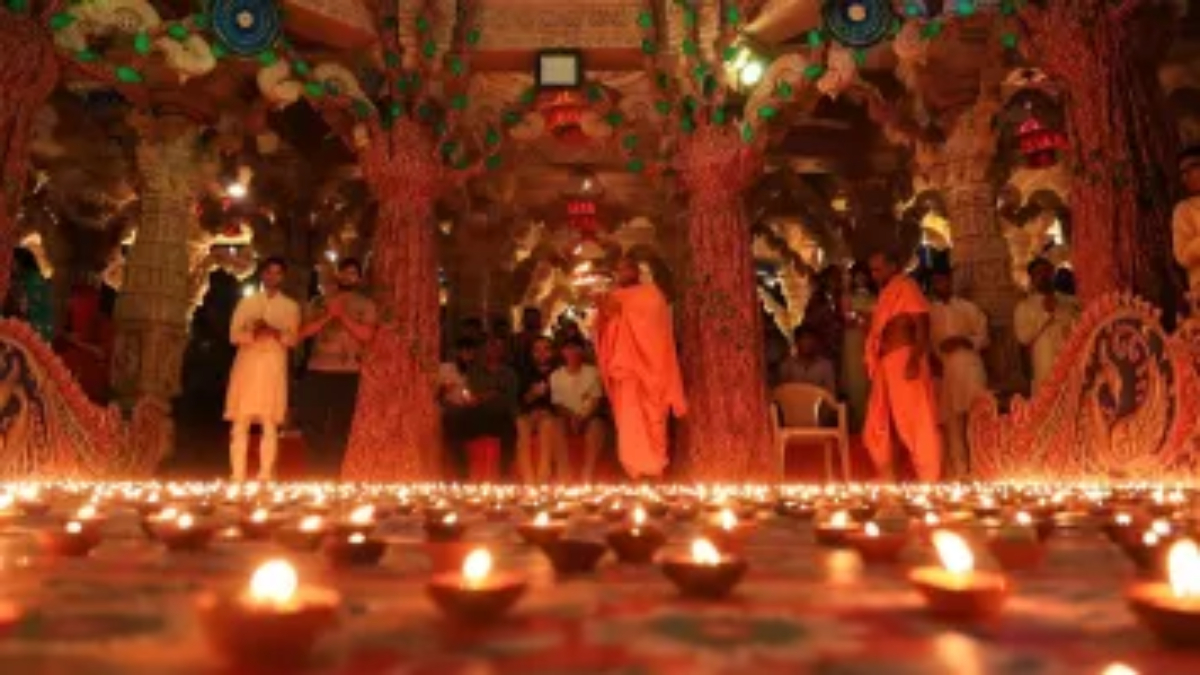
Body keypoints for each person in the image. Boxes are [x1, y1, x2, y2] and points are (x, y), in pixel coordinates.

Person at [595, 256, 687, 479]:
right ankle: (634, 473)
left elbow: (655, 329)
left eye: (626, 268)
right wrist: (606, 313)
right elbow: (604, 330)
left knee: (654, 421)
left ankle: (656, 470)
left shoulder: (652, 295)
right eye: (618, 269)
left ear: (636, 270)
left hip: (652, 369)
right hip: (625, 369)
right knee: (629, 424)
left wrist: (621, 313)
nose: (622, 273)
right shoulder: (615, 296)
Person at [863, 250, 942, 482]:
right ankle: (888, 474)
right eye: (872, 270)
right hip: (886, 363)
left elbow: (922, 325)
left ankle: (929, 476)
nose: (874, 274)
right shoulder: (886, 293)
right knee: (880, 423)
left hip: (905, 358)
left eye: (878, 269)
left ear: (892, 266)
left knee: (915, 420)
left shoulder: (907, 286)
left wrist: (915, 358)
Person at [297, 258, 377, 477]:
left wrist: (341, 315)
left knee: (342, 425)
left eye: (353, 273)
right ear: (337, 275)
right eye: (345, 272)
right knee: (312, 422)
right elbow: (302, 333)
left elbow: (367, 336)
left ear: (359, 279)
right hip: (318, 370)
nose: (348, 276)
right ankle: (316, 472)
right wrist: (328, 315)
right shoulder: (318, 302)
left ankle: (337, 473)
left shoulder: (365, 304)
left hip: (349, 372)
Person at [225, 257, 300, 482]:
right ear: (262, 274)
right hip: (247, 364)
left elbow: (293, 339)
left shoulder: (290, 306)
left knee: (269, 421)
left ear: (283, 277)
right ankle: (237, 475)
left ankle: (265, 474)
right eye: (269, 272)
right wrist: (254, 333)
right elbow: (233, 335)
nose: (272, 277)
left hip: (272, 365)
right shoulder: (247, 303)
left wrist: (275, 333)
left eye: (277, 273)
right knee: (241, 421)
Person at [928, 268, 989, 479]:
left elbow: (984, 335)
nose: (942, 285)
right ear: (932, 285)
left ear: (951, 282)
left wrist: (965, 341)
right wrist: (935, 356)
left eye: (945, 281)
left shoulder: (968, 308)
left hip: (970, 366)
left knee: (977, 419)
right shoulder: (929, 313)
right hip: (945, 371)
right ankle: (960, 474)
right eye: (937, 282)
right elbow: (927, 344)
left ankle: (982, 469)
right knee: (953, 425)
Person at [1014, 258, 1081, 390]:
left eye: (1047, 272)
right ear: (1032, 277)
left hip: (1071, 361)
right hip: (1045, 364)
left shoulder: (1069, 301)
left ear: (1053, 274)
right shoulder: (1024, 307)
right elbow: (1023, 337)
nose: (1043, 276)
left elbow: (1081, 323)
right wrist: (1045, 315)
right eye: (1039, 273)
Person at [548, 338, 607, 483]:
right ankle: (564, 472)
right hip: (567, 416)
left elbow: (596, 400)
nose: (572, 353)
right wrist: (572, 417)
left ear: (582, 351)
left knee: (597, 426)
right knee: (555, 424)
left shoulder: (593, 372)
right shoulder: (555, 376)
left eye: (576, 349)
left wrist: (583, 417)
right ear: (562, 352)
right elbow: (557, 404)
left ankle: (587, 473)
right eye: (568, 349)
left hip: (588, 416)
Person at [55, 274, 114, 403]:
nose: (70, 303)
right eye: (71, 300)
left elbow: (102, 353)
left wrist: (76, 342)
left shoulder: (101, 322)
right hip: (65, 388)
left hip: (90, 388)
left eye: (75, 300)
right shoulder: (69, 323)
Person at [515, 336, 558, 482]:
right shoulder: (525, 372)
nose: (541, 353)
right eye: (537, 350)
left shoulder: (558, 372)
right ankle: (528, 479)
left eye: (545, 349)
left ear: (552, 352)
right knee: (521, 424)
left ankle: (543, 477)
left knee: (547, 424)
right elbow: (521, 400)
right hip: (529, 413)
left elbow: (561, 401)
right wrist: (532, 394)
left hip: (550, 414)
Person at [842, 263, 876, 431]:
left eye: (864, 275)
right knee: (856, 380)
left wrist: (865, 319)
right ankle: (858, 422)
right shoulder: (847, 296)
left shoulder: (876, 297)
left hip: (872, 339)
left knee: (873, 380)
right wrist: (862, 318)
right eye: (858, 275)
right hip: (854, 340)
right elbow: (847, 320)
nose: (861, 278)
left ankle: (874, 423)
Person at [6, 248, 54, 342]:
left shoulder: (32, 281)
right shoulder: (27, 279)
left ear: (21, 263)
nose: (10, 266)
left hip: (35, 333)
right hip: (36, 330)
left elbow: (24, 309)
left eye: (13, 262)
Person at [1173, 146, 1200, 314]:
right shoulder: (1184, 210)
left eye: (1193, 167)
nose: (1187, 176)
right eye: (1183, 172)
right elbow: (1182, 255)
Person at [803, 266, 846, 368]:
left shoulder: (840, 298)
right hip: (822, 343)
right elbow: (810, 321)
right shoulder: (817, 299)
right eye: (832, 279)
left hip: (838, 343)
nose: (835, 282)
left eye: (838, 279)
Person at [777, 325, 837, 393]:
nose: (808, 343)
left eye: (811, 339)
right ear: (797, 342)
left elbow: (830, 393)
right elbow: (782, 391)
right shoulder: (787, 365)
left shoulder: (826, 366)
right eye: (804, 339)